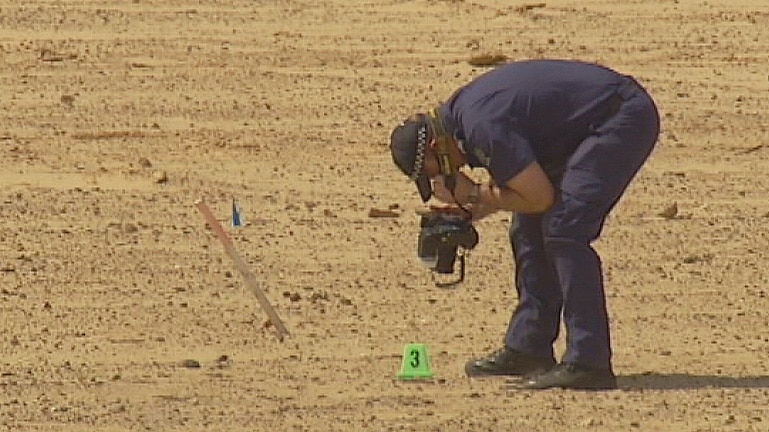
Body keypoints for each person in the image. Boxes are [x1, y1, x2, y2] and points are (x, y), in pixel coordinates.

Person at [388, 59, 660, 390]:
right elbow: (520, 191)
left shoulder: (481, 126)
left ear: (436, 147)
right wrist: (469, 210)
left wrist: (475, 192)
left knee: (565, 230)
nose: (444, 177)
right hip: (585, 125)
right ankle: (529, 347)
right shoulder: (460, 121)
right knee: (527, 227)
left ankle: (589, 363)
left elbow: (539, 196)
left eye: (434, 172)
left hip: (619, 119)